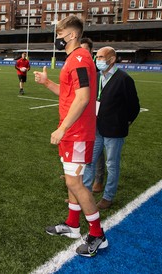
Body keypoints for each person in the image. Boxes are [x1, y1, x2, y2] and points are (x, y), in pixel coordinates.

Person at [33, 15, 107, 257]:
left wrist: (63, 128)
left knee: (75, 182)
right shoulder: (74, 59)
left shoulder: (79, 59)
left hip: (76, 133)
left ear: (72, 35)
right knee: (70, 180)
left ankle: (97, 234)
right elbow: (69, 93)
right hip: (72, 132)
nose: (58, 39)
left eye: (60, 35)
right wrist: (47, 83)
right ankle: (73, 225)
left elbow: (84, 97)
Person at [83, 46, 140, 210]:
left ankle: (108, 197)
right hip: (97, 128)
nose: (97, 59)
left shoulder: (123, 79)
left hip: (114, 131)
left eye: (101, 57)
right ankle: (85, 194)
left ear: (112, 59)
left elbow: (134, 106)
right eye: (97, 57)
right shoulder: (96, 76)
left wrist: (125, 122)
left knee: (111, 164)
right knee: (89, 161)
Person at [81, 37, 106, 192]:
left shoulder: (97, 69)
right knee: (82, 144)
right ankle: (79, 173)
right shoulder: (80, 66)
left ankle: (98, 179)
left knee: (96, 146)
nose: (83, 52)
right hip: (83, 113)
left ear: (91, 51)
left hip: (98, 113)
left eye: (86, 49)